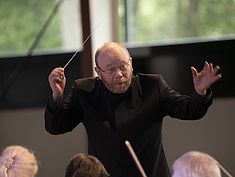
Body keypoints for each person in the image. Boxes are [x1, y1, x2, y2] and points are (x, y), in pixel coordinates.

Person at [44, 41, 221, 177]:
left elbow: (190, 110)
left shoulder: (152, 86)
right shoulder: (84, 91)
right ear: (98, 71)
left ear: (131, 63)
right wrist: (56, 96)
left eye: (123, 66)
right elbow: (56, 127)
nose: (119, 74)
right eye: (111, 69)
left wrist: (200, 91)